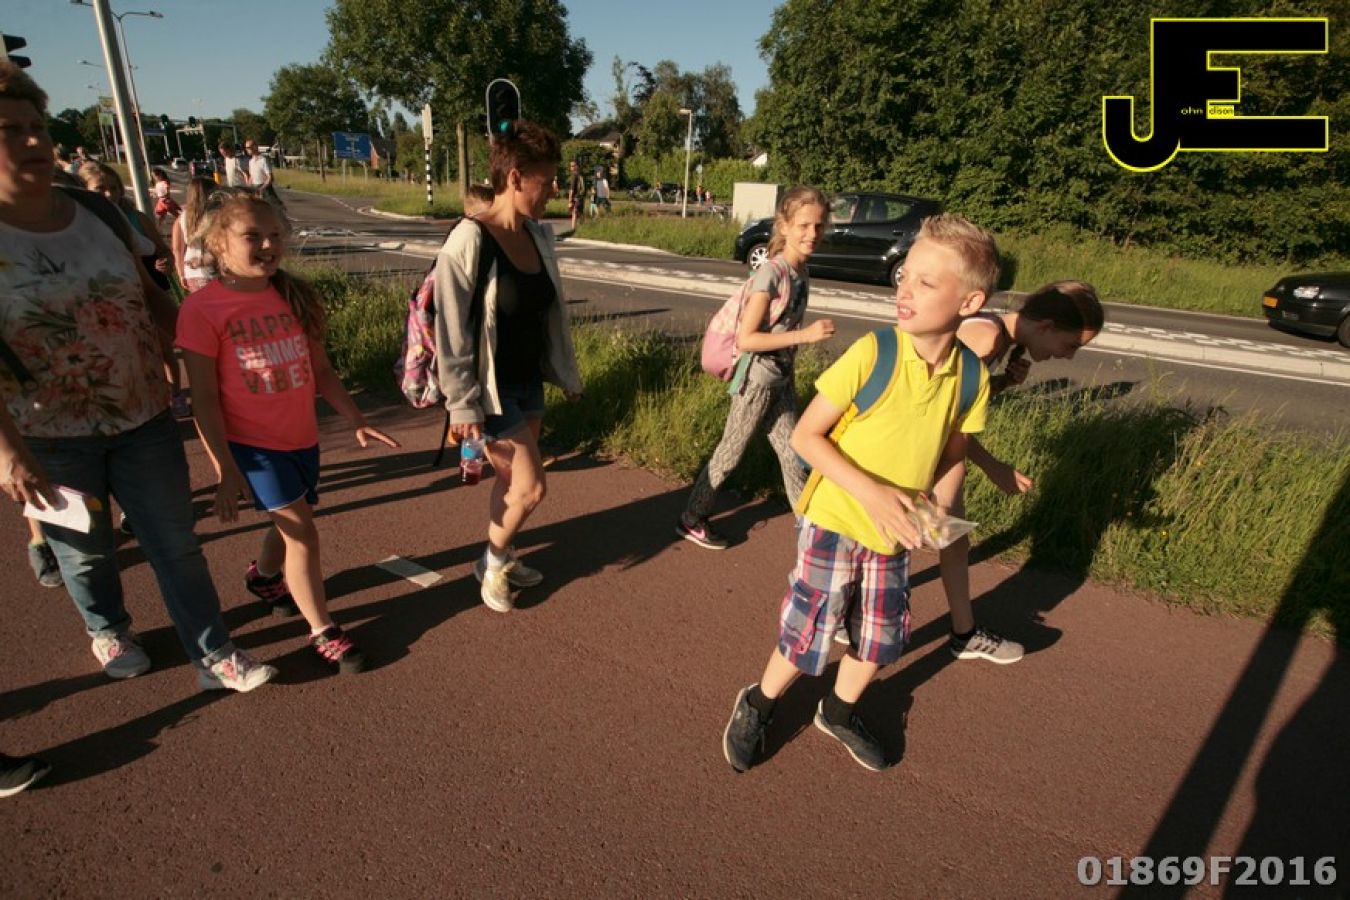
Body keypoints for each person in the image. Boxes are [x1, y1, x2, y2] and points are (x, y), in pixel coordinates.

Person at [0, 60, 276, 693]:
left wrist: (206, 351)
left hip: (145, 412)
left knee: (175, 541)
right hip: (47, 432)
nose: (33, 140)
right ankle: (108, 628)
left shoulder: (96, 212)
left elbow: (149, 296)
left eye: (37, 126)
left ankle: (214, 652)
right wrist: (8, 453)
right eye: (10, 130)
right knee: (86, 551)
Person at [722, 213, 998, 772]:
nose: (905, 289)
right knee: (810, 629)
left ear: (970, 303)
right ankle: (759, 702)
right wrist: (872, 494)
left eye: (926, 282)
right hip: (835, 516)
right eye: (905, 275)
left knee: (879, 636)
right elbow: (806, 436)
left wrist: (941, 511)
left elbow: (953, 451)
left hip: (893, 532)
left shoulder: (972, 376)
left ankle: (839, 710)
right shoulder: (875, 352)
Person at [177, 189, 399, 673]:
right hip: (254, 448)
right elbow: (205, 398)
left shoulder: (293, 296)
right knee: (303, 533)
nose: (267, 245)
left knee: (295, 520)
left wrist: (357, 419)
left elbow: (321, 370)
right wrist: (225, 468)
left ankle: (263, 576)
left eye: (275, 235)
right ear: (217, 243)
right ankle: (324, 630)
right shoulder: (202, 310)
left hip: (301, 437)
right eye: (252, 235)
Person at [433, 120, 582, 613]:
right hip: (489, 390)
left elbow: (548, 313)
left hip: (527, 382)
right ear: (516, 178)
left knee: (509, 483)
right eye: (547, 180)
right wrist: (461, 404)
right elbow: (452, 329)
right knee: (531, 486)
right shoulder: (470, 239)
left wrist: (565, 371)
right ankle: (492, 563)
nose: (554, 189)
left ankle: (500, 553)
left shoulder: (539, 236)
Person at [926, 280, 1105, 664]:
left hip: (935, 452)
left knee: (950, 539)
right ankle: (843, 619)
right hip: (913, 449)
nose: (1068, 357)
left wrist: (1003, 382)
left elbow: (962, 400)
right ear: (1047, 326)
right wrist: (994, 467)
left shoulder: (997, 338)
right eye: (1070, 345)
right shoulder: (985, 338)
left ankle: (962, 633)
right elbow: (940, 414)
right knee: (888, 541)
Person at [676, 186, 837, 550]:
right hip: (757, 380)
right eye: (804, 225)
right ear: (784, 225)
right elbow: (747, 339)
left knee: (794, 451)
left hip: (780, 378)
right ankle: (691, 517)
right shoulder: (772, 274)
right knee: (731, 452)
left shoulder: (801, 270)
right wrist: (806, 336)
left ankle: (809, 528)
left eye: (818, 225)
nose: (812, 233)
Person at [172, 176, 218, 294]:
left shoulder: (182, 217)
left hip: (192, 271)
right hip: (214, 270)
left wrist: (181, 273)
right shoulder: (216, 215)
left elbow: (177, 249)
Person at [243, 139, 283, 208]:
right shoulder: (251, 162)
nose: (247, 149)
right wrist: (248, 185)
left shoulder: (263, 160)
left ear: (255, 147)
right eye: (246, 148)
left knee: (277, 207)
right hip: (255, 189)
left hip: (265, 189)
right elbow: (252, 177)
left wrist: (262, 188)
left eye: (248, 147)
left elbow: (270, 178)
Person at [565, 158, 584, 229]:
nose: (571, 167)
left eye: (573, 166)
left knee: (574, 213)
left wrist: (570, 201)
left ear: (577, 166)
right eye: (571, 166)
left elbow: (571, 189)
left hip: (575, 198)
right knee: (580, 213)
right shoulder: (580, 175)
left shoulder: (574, 175)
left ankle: (573, 229)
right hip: (581, 197)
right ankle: (583, 228)